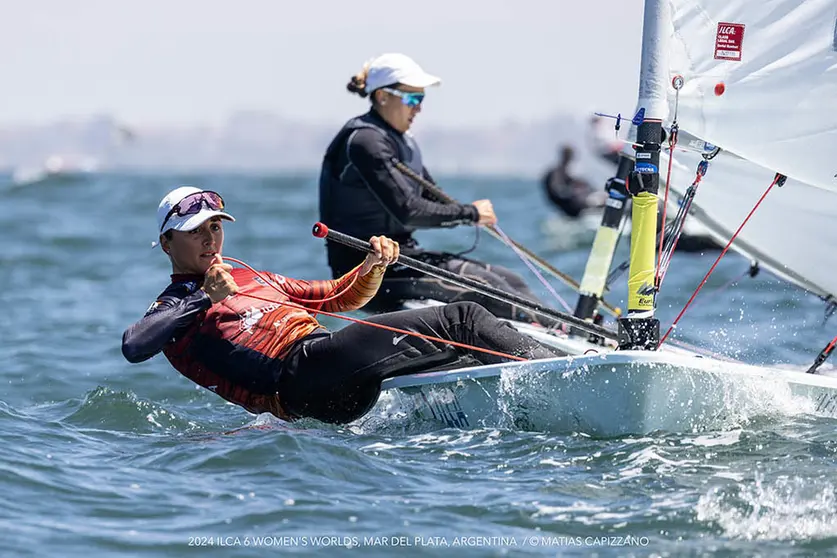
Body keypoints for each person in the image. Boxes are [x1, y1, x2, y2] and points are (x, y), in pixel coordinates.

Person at [121, 187, 563, 425]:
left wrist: (373, 265)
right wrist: (204, 298)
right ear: (166, 242)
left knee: (460, 345)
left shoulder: (249, 275)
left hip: (333, 376)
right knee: (464, 318)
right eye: (196, 230)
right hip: (298, 378)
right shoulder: (174, 306)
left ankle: (532, 405)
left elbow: (336, 297)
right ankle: (563, 377)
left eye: (215, 227)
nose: (210, 238)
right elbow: (135, 345)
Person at [318, 52, 553, 327]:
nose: (418, 108)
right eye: (412, 99)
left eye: (422, 99)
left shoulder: (401, 141)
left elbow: (432, 195)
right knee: (485, 286)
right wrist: (470, 214)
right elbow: (408, 212)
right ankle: (560, 339)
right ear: (382, 96)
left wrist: (472, 214)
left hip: (403, 257)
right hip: (367, 271)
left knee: (510, 279)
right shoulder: (365, 142)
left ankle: (581, 333)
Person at [541, 144, 606, 219]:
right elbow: (558, 191)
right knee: (598, 201)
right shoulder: (556, 173)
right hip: (569, 206)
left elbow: (575, 182)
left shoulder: (563, 172)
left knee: (600, 196)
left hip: (571, 204)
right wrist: (575, 193)